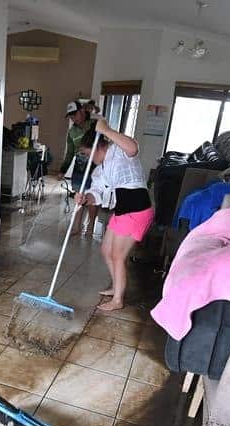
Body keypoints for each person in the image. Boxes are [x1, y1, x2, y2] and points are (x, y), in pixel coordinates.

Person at [76, 118, 153, 311]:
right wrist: (85, 198)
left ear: (97, 146)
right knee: (106, 250)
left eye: (87, 153)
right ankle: (116, 287)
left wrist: (106, 130)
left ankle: (118, 299)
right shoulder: (99, 170)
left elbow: (133, 148)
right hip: (122, 210)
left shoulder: (119, 150)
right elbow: (97, 194)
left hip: (136, 208)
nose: (88, 158)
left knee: (118, 255)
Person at [58, 100, 96, 235]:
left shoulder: (93, 125)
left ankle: (91, 227)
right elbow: (69, 153)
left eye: (75, 115)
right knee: (79, 198)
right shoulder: (72, 132)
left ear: (81, 111)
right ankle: (77, 227)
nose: (73, 118)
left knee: (92, 198)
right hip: (79, 168)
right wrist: (63, 170)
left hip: (94, 168)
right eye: (71, 116)